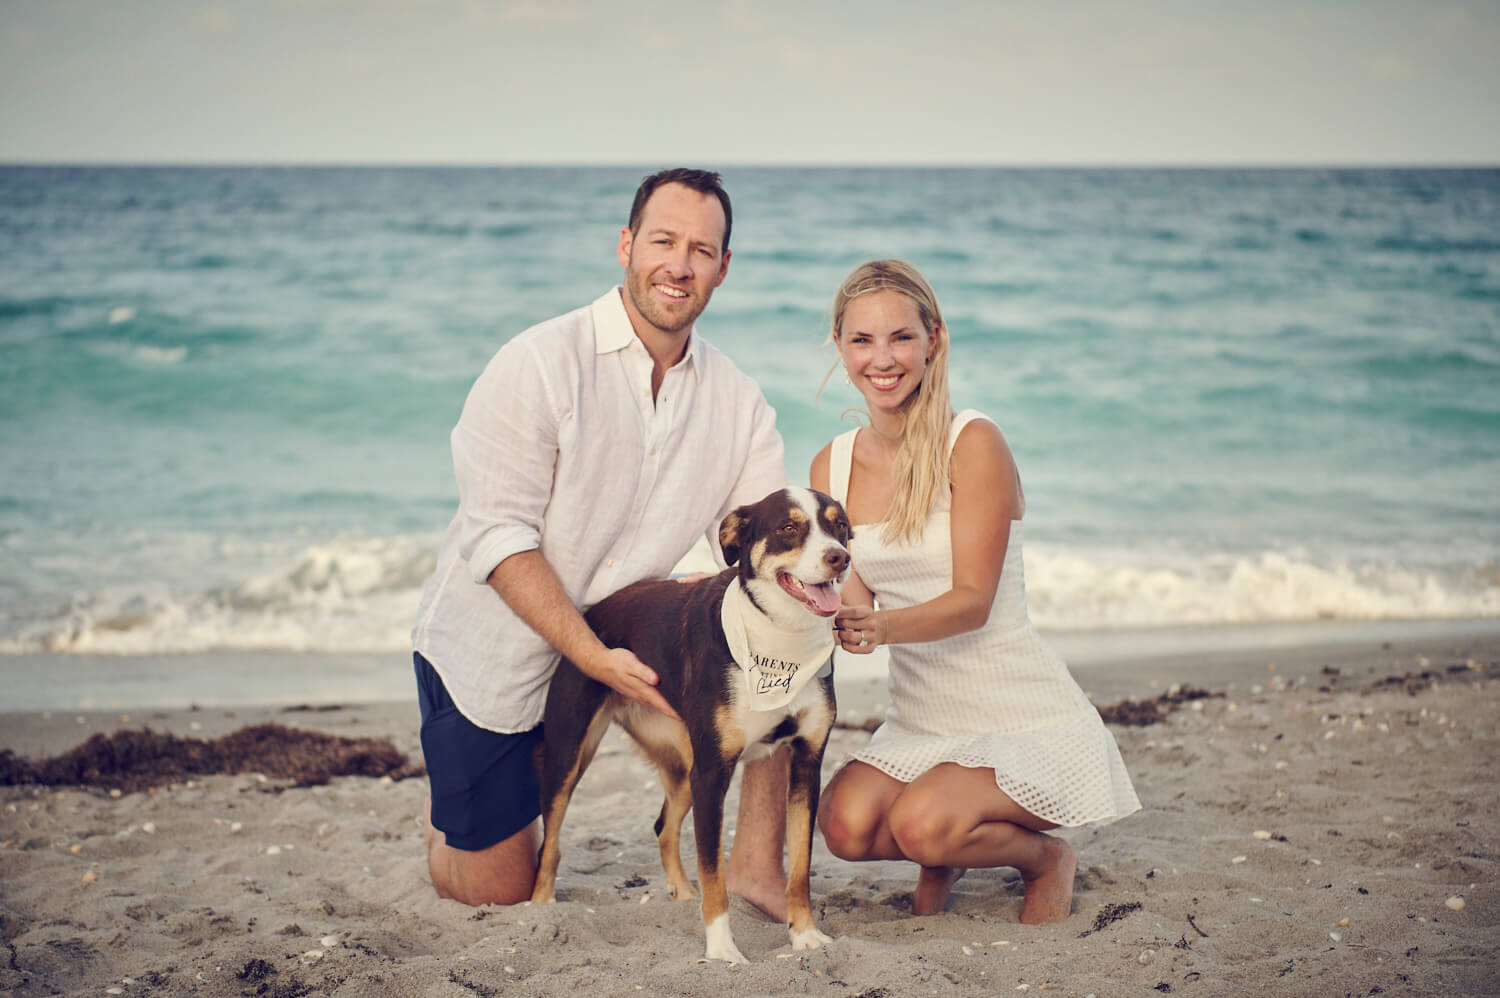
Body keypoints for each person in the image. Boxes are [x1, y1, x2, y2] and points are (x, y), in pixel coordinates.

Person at [411, 168, 792, 914]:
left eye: (702, 250)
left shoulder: (738, 401)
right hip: (494, 661)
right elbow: (498, 538)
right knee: (499, 889)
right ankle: (447, 818)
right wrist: (590, 657)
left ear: (723, 268)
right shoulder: (540, 362)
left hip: (628, 651)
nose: (679, 265)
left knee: (782, 661)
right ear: (625, 244)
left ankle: (754, 869)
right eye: (663, 241)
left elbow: (759, 551)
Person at [809, 260, 1140, 923]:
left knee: (922, 824)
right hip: (924, 720)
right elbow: (851, 598)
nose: (883, 359)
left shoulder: (974, 442)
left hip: (1019, 714)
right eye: (862, 340)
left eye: (901, 337)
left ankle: (1046, 860)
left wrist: (882, 629)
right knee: (843, 826)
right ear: (840, 348)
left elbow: (972, 601)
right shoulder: (833, 463)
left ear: (935, 340)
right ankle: (947, 841)